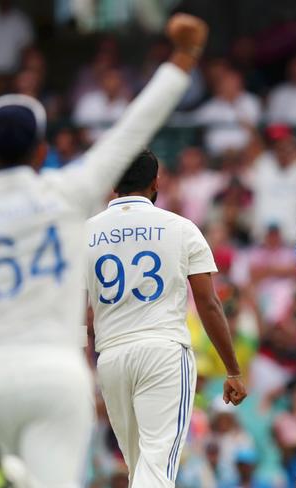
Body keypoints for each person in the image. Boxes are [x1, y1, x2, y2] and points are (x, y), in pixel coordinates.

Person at [0, 13, 207, 487]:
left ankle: (8, 475)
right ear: (41, 152)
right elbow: (133, 129)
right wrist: (182, 58)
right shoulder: (68, 191)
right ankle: (18, 476)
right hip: (54, 375)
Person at [84, 149, 247, 487]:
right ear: (156, 181)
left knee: (139, 468)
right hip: (163, 353)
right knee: (156, 469)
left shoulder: (86, 232)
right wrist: (232, 369)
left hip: (111, 356)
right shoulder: (180, 228)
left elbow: (79, 310)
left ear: (113, 183)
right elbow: (208, 303)